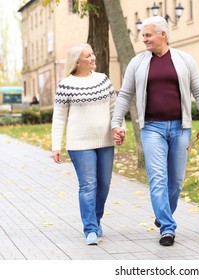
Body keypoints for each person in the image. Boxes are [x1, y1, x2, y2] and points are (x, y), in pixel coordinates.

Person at [111, 16, 199, 246]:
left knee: (176, 181)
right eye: (143, 35)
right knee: (158, 178)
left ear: (163, 35)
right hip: (151, 129)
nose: (144, 39)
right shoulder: (137, 63)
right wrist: (116, 122)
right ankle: (167, 228)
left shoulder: (184, 60)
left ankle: (162, 214)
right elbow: (125, 94)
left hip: (180, 128)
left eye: (148, 35)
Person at [51, 43, 123, 245]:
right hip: (79, 144)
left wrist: (119, 128)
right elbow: (59, 117)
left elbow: (114, 109)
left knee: (104, 185)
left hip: (105, 142)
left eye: (92, 54)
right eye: (88, 56)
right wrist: (56, 146)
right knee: (88, 185)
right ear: (77, 61)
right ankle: (90, 228)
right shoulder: (66, 84)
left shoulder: (103, 80)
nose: (93, 58)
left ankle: (96, 219)